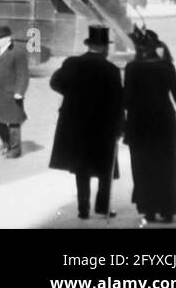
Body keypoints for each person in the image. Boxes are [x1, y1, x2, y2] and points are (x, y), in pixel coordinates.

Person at [50, 25, 124, 219]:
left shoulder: (72, 63)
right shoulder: (112, 70)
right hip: (103, 126)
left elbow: (55, 82)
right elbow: (118, 102)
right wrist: (119, 127)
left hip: (77, 124)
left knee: (81, 167)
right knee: (105, 168)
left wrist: (72, 95)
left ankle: (83, 209)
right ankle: (103, 207)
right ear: (105, 48)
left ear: (89, 45)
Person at [123, 28, 176, 223]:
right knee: (166, 167)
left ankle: (149, 209)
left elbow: (126, 98)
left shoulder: (132, 68)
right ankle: (168, 209)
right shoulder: (166, 66)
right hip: (164, 124)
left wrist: (121, 120)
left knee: (143, 167)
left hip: (139, 124)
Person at [0, 25, 29, 158]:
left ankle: (15, 150)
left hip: (11, 93)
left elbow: (23, 74)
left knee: (13, 122)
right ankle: (6, 144)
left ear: (8, 38)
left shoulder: (18, 52)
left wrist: (20, 91)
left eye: (0, 38)